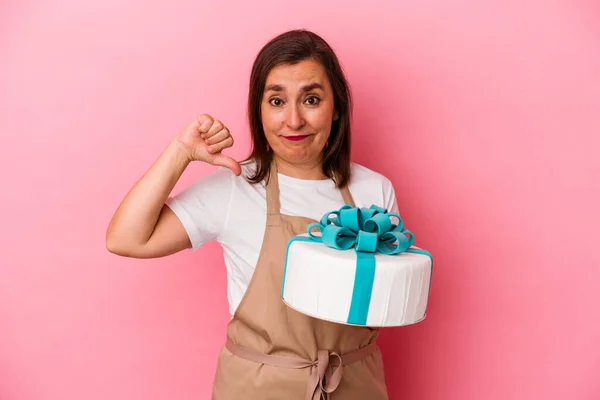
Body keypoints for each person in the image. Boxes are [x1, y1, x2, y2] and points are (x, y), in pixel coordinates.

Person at [107, 29, 398, 399]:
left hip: (355, 384)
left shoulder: (375, 191)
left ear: (336, 107)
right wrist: (180, 152)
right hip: (257, 387)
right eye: (276, 101)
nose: (293, 121)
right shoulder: (234, 187)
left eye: (311, 99)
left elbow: (384, 298)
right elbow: (125, 239)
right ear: (258, 110)